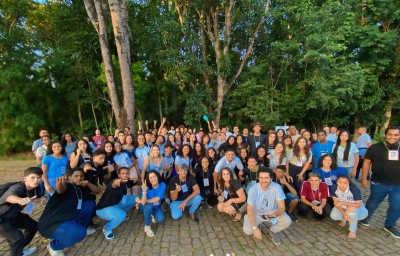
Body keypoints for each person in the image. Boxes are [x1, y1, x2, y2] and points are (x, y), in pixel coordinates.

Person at [38, 168, 100, 256]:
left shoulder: (80, 187)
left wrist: (89, 183)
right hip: (53, 223)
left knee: (90, 204)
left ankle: (79, 227)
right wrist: (60, 184)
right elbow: (60, 190)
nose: (79, 178)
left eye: (81, 176)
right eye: (76, 176)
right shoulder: (68, 186)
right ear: (70, 177)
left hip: (70, 215)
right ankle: (54, 246)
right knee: (80, 233)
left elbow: (97, 191)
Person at [361, 126, 400, 238]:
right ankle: (365, 217)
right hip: (378, 182)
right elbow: (366, 163)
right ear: (385, 135)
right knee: (373, 202)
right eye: (390, 134)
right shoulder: (375, 147)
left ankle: (389, 225)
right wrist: (364, 178)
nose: (392, 137)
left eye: (396, 135)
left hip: (398, 184)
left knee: (397, 206)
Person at [0, 167, 43, 256]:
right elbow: (9, 197)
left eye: (38, 177)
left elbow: (37, 198)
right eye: (33, 177)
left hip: (13, 215)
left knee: (33, 226)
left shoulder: (36, 187)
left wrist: (41, 200)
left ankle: (20, 249)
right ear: (25, 179)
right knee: (17, 238)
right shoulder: (18, 187)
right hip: (1, 219)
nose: (36, 180)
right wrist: (20, 200)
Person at [242, 168, 292, 245]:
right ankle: (250, 220)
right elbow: (249, 210)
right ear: (258, 178)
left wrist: (274, 215)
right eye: (261, 178)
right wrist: (255, 228)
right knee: (248, 231)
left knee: (287, 221)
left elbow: (282, 207)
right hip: (257, 212)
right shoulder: (253, 189)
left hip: (271, 211)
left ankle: (273, 230)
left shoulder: (277, 187)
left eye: (266, 178)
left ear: (271, 178)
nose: (264, 180)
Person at [96, 167, 138, 240]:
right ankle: (107, 228)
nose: (125, 175)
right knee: (121, 215)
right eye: (123, 173)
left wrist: (137, 179)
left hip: (117, 204)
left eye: (127, 173)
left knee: (137, 197)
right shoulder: (114, 181)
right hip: (103, 209)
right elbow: (114, 184)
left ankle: (120, 214)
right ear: (119, 175)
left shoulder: (127, 182)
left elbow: (139, 182)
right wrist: (117, 181)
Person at [330, 175, 368, 239]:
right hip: (343, 207)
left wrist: (343, 203)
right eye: (340, 182)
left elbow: (358, 205)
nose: (342, 185)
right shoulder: (333, 188)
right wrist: (344, 213)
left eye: (345, 183)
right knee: (334, 216)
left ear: (348, 183)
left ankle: (353, 230)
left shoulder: (353, 189)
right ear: (336, 182)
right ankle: (344, 219)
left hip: (358, 209)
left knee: (350, 211)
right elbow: (336, 203)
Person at [135, 170, 166, 237]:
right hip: (144, 207)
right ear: (148, 179)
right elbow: (143, 203)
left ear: (157, 176)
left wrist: (142, 201)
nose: (153, 179)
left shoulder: (162, 185)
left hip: (156, 206)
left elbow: (157, 199)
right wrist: (144, 191)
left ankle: (152, 214)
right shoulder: (146, 187)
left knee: (160, 219)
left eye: (154, 176)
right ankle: (147, 226)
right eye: (150, 178)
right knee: (149, 206)